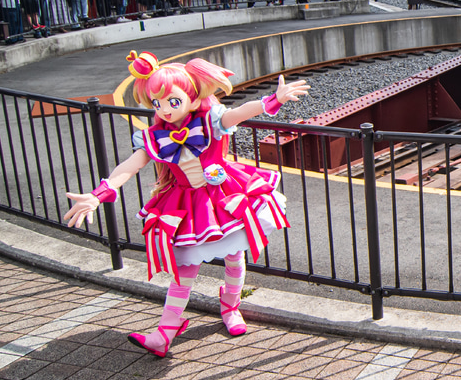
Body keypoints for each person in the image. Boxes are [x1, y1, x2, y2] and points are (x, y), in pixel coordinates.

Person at [64, 52, 310, 356]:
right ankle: (164, 332)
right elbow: (130, 165)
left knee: (234, 255)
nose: (165, 110)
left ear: (193, 100)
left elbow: (238, 113)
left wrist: (273, 100)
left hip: (223, 195)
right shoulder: (154, 137)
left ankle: (231, 306)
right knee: (185, 269)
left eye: (172, 101)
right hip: (185, 203)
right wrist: (99, 194)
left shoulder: (210, 119)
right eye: (157, 104)